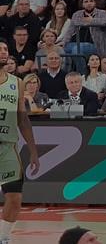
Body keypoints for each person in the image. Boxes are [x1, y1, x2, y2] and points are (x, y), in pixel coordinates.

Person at [0, 50, 38, 244]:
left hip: (7, 146)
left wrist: (33, 150)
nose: (3, 52)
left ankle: (3, 238)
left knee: (14, 197)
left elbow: (22, 119)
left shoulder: (17, 83)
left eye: (5, 50)